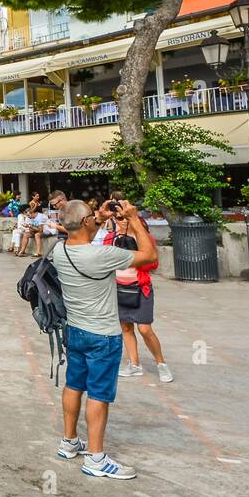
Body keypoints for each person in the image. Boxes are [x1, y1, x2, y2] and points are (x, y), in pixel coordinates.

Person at [51, 199, 157, 480]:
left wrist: (97, 217)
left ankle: (69, 441)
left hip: (75, 330)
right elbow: (148, 255)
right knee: (99, 394)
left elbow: (81, 231)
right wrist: (133, 218)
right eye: (91, 215)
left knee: (74, 384)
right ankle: (96, 458)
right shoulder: (102, 255)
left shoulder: (60, 250)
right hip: (103, 335)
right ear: (85, 222)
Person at [108, 207, 171, 382]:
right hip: (119, 288)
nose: (120, 221)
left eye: (124, 218)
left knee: (145, 328)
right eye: (118, 218)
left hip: (140, 288)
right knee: (126, 327)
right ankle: (134, 364)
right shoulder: (111, 238)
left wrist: (132, 256)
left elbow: (153, 263)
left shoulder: (143, 238)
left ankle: (161, 364)